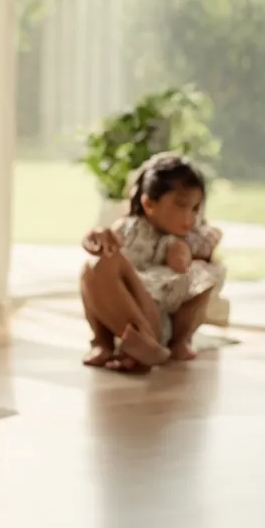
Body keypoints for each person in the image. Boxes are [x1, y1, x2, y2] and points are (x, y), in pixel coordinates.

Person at [80, 152, 227, 371]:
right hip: (124, 316)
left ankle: (171, 343)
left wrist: (184, 254)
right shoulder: (131, 229)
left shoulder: (192, 239)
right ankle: (105, 343)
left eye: (195, 208)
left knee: (207, 276)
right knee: (92, 268)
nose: (190, 217)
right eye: (181, 205)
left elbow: (200, 275)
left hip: (155, 320)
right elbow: (110, 245)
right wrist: (96, 238)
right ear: (149, 204)